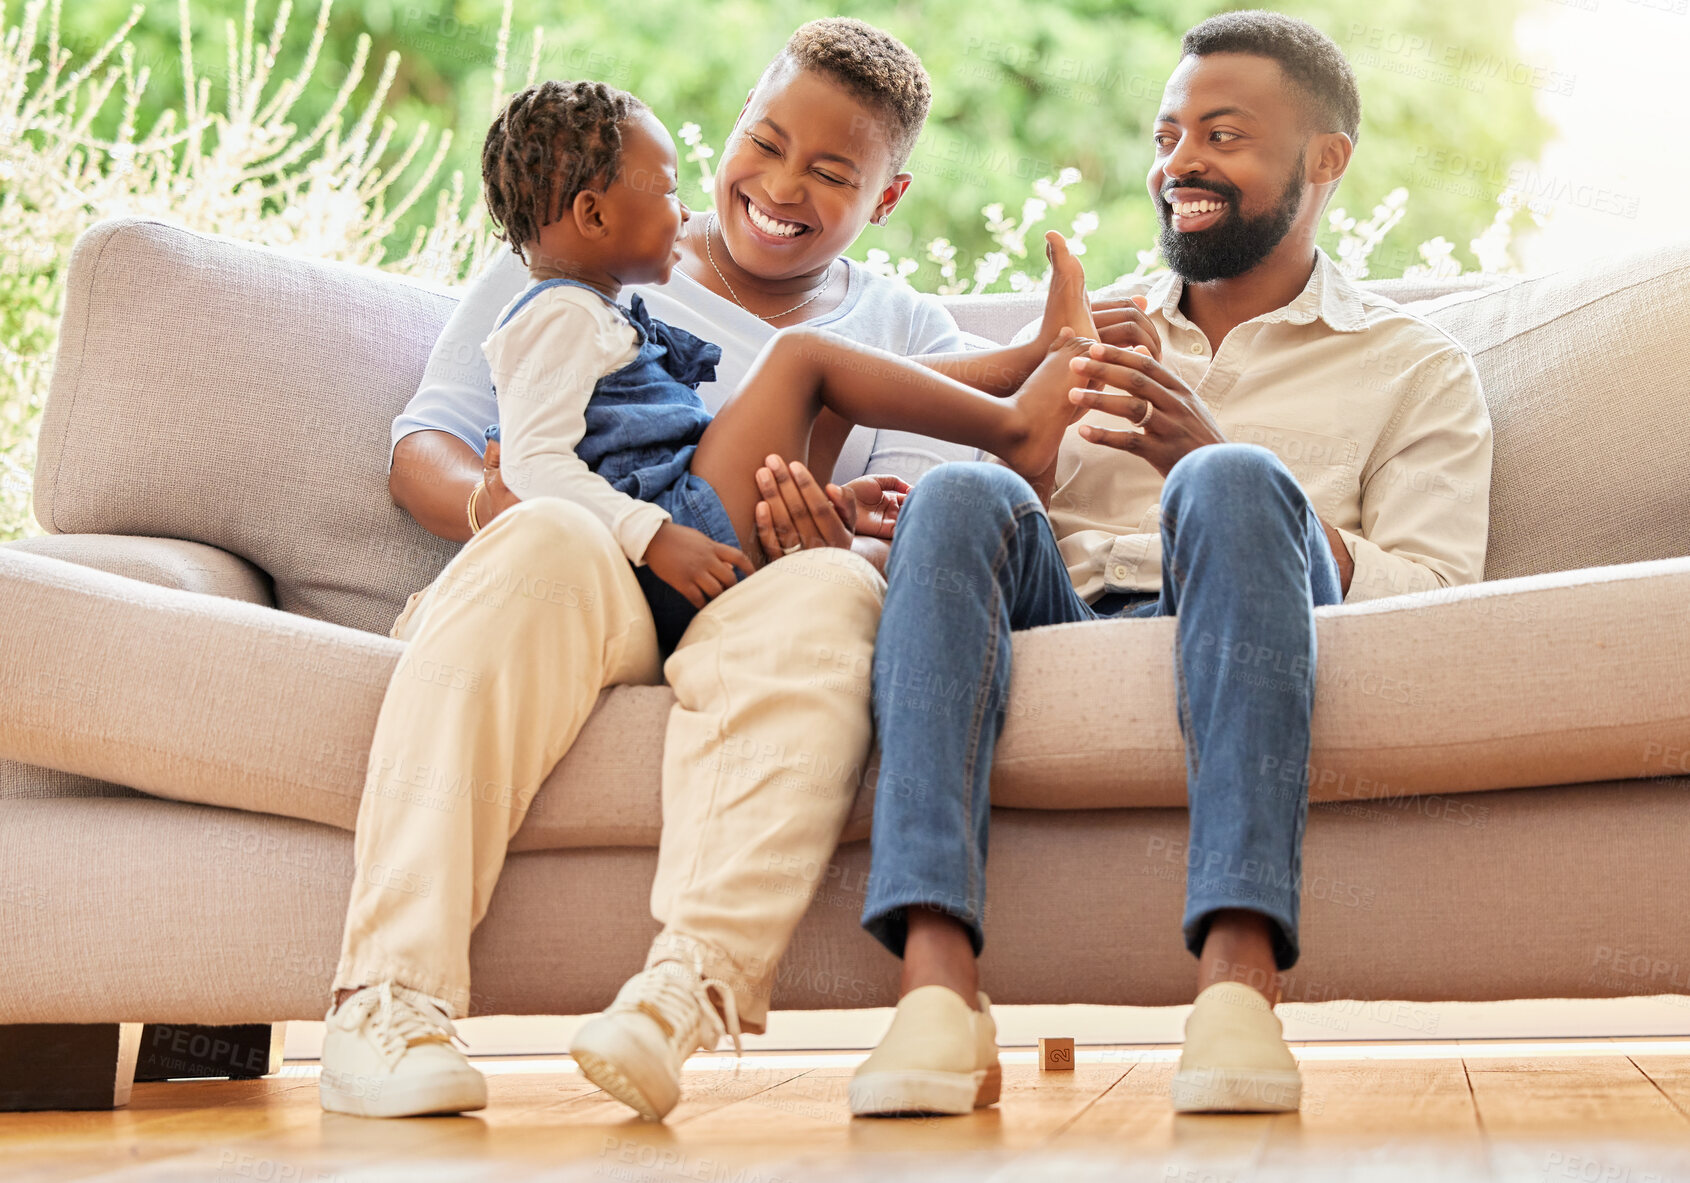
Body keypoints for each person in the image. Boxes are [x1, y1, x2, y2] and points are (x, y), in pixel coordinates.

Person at [319, 18, 1150, 1121]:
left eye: (830, 171)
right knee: (551, 536)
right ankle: (387, 1000)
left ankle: (681, 994)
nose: (779, 183)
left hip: (749, 590)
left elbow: (902, 543)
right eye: (762, 143)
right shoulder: (569, 271)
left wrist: (827, 531)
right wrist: (581, 513)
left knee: (834, 590)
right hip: (575, 577)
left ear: (885, 200)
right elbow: (424, 452)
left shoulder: (900, 323)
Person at [750, 11, 1494, 1118]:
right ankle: (935, 996)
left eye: (1223, 134)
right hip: (1070, 610)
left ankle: (1238, 989)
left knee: (1229, 481)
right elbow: (972, 531)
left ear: (1325, 161)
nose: (1179, 162)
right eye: (1166, 135)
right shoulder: (1088, 339)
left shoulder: (1415, 368)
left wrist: (1218, 453)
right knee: (961, 489)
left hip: (1257, 608)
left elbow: (1439, 602)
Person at [477, 78, 1098, 652]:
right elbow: (534, 463)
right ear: (593, 216)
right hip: (659, 558)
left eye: (829, 173)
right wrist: (654, 537)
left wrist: (841, 516)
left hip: (691, 538)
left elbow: (903, 564)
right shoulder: (555, 315)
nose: (683, 209)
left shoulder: (585, 309)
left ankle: (1025, 363)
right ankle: (1016, 423)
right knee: (801, 356)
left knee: (820, 384)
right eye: (667, 192)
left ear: (887, 197)